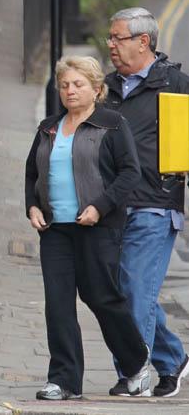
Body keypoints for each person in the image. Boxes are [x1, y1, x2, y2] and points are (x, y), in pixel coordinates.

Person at [25, 56, 150, 400]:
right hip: (55, 231)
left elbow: (130, 173)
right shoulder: (48, 127)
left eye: (78, 84)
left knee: (102, 297)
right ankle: (64, 381)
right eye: (64, 85)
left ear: (96, 90)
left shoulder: (111, 124)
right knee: (58, 304)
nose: (70, 90)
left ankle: (136, 362)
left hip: (98, 227)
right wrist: (32, 206)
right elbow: (32, 175)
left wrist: (100, 206)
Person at [104, 7, 189, 398]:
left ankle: (133, 375)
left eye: (117, 38)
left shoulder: (177, 85)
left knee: (136, 291)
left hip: (156, 204)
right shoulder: (103, 88)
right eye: (109, 38)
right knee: (121, 293)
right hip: (111, 208)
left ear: (143, 42)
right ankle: (172, 358)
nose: (110, 46)